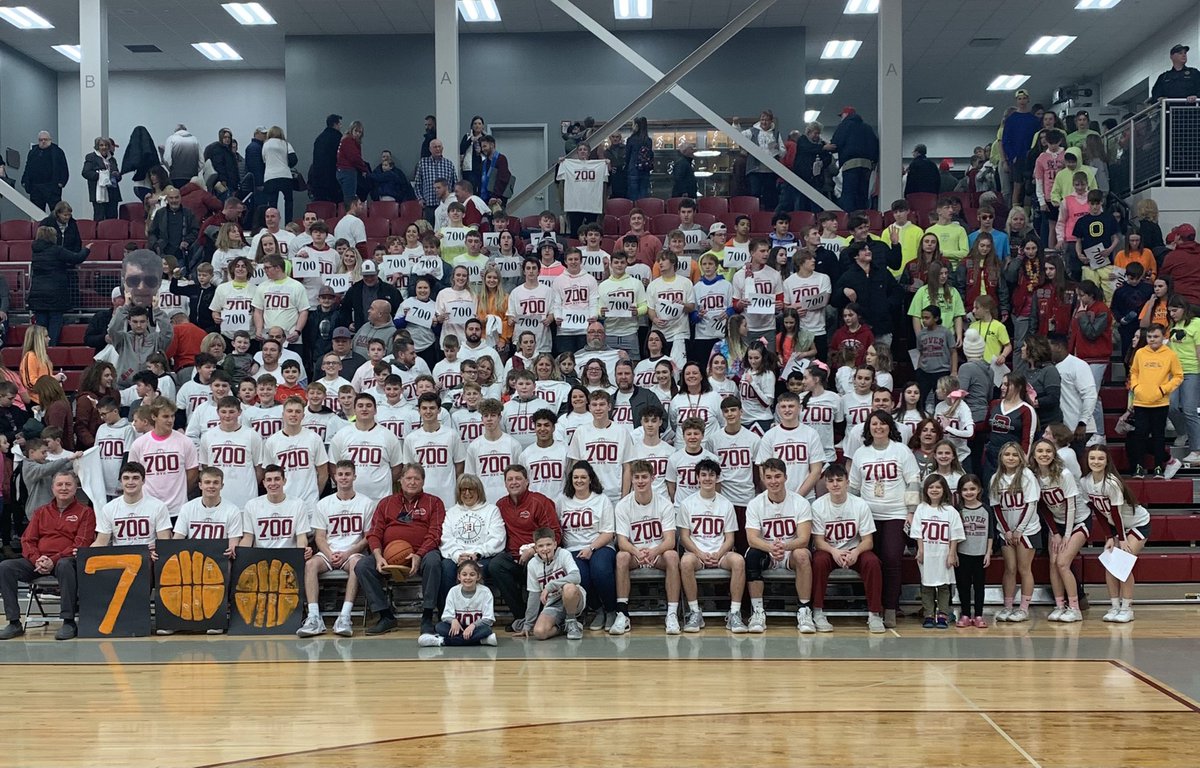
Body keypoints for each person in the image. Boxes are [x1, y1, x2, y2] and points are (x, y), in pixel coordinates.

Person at [0, 470, 93, 640]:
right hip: (38, 562)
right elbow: (27, 540)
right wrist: (38, 560)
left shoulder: (85, 512)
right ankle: (14, 622)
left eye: (68, 484)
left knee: (65, 565)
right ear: (53, 488)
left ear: (76, 487)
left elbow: (81, 544)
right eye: (59, 484)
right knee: (6, 567)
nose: (63, 488)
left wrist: (53, 560)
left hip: (66, 562)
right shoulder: (41, 512)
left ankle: (68, 621)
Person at [810, 463, 885, 633]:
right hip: (830, 551)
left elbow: (868, 541)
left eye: (839, 480)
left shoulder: (860, 504)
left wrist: (856, 552)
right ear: (826, 484)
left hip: (854, 550)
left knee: (872, 562)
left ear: (847, 482)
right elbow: (818, 541)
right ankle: (818, 612)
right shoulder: (818, 506)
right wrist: (834, 551)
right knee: (818, 561)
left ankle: (874, 614)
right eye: (831, 481)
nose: (835, 484)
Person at [744, 457, 815, 633]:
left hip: (790, 551)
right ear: (763, 478)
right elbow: (752, 539)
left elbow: (804, 538)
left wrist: (783, 547)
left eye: (777, 476)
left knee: (803, 554)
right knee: (752, 555)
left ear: (785, 477)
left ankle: (804, 609)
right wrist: (771, 548)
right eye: (769, 477)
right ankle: (758, 611)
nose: (773, 481)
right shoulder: (755, 504)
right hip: (767, 551)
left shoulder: (800, 502)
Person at [1079, 446, 1150, 623]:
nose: (1096, 462)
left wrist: (1122, 539)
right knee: (1110, 564)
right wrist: (1110, 537)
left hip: (1137, 524)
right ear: (1087, 460)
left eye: (1100, 459)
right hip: (1117, 529)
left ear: (1107, 461)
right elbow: (1097, 510)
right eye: (1092, 458)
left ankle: (1127, 608)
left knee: (1122, 562)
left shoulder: (1111, 482)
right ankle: (1114, 606)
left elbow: (1116, 513)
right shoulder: (1085, 481)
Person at [677, 459, 746, 633]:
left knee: (738, 561)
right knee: (685, 563)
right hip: (696, 553)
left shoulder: (726, 504)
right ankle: (694, 612)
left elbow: (730, 538)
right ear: (697, 478)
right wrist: (700, 553)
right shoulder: (687, 504)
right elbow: (684, 537)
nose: (708, 478)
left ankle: (735, 613)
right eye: (704, 475)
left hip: (720, 553)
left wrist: (718, 553)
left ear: (717, 478)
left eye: (712, 475)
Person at [989, 441, 1041, 623]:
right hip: (1006, 531)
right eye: (1007, 455)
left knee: (1024, 568)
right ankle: (1008, 606)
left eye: (1014, 455)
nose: (1010, 458)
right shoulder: (996, 478)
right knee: (1009, 569)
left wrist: (1019, 529)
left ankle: (1024, 608)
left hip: (1027, 530)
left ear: (1021, 457)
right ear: (1001, 457)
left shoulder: (1027, 476)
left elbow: (1031, 504)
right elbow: (996, 507)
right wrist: (1007, 530)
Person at [1126, 323, 1183, 478]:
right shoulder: (1140, 353)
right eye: (1149, 337)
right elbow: (1134, 372)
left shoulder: (1170, 354)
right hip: (1141, 402)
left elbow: (1178, 376)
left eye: (1156, 336)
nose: (1152, 340)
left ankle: (1158, 467)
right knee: (1140, 435)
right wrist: (1136, 387)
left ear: (1163, 336)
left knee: (1159, 436)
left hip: (1160, 402)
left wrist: (1163, 389)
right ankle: (1139, 468)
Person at [911, 475, 964, 629]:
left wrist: (952, 553)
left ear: (944, 490)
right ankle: (928, 614)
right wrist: (920, 550)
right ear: (926, 490)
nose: (934, 490)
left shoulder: (950, 511)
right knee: (926, 586)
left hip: (943, 554)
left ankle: (943, 614)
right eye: (931, 487)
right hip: (927, 553)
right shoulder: (921, 508)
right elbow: (917, 532)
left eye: (938, 487)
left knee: (943, 586)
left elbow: (955, 534)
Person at [519, 526, 587, 641]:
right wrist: (528, 624)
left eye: (548, 544)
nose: (545, 549)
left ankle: (572, 620)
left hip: (573, 599)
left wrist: (550, 586)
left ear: (555, 544)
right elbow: (534, 595)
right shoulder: (532, 564)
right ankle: (564, 627)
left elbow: (576, 577)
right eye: (540, 546)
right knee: (539, 633)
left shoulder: (564, 554)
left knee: (569, 588)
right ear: (535, 548)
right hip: (553, 604)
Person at [27, 226, 90, 346]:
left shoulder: (35, 251)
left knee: (40, 327)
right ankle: (52, 350)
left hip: (38, 294)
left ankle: (39, 351)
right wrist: (86, 250)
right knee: (54, 325)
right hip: (55, 294)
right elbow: (76, 258)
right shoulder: (57, 250)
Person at [826, 107, 879, 212]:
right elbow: (875, 146)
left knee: (849, 195)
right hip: (866, 166)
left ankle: (850, 221)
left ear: (845, 115)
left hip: (850, 164)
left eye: (841, 116)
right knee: (862, 195)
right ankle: (862, 219)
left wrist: (826, 147)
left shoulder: (844, 125)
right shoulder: (867, 128)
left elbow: (836, 143)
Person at [20, 131, 69, 211]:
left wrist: (61, 183)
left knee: (56, 211)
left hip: (52, 186)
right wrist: (24, 180)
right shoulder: (33, 152)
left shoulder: (57, 151)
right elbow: (28, 167)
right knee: (36, 211)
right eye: (41, 140)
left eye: (45, 139)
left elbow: (64, 168)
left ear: (50, 139)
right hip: (35, 187)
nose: (43, 141)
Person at [623, 116, 653, 202]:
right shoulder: (648, 140)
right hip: (645, 170)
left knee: (633, 195)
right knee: (643, 193)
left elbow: (627, 156)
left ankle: (634, 212)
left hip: (633, 170)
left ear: (636, 126)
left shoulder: (631, 140)